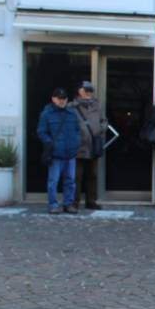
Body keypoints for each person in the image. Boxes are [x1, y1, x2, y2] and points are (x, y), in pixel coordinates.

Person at [36, 87, 81, 215]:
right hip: (56, 154)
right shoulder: (47, 114)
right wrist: (51, 143)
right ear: (53, 99)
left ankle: (68, 204)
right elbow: (41, 132)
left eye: (64, 98)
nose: (62, 101)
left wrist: (76, 143)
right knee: (53, 181)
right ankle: (53, 205)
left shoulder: (72, 113)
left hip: (70, 153)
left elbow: (77, 130)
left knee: (70, 181)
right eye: (59, 98)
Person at [72, 81, 107, 210]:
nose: (88, 93)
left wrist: (100, 130)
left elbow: (104, 121)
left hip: (93, 146)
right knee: (76, 176)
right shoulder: (72, 106)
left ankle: (91, 201)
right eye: (86, 90)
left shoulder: (97, 106)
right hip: (78, 147)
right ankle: (74, 202)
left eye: (90, 91)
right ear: (79, 91)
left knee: (92, 176)